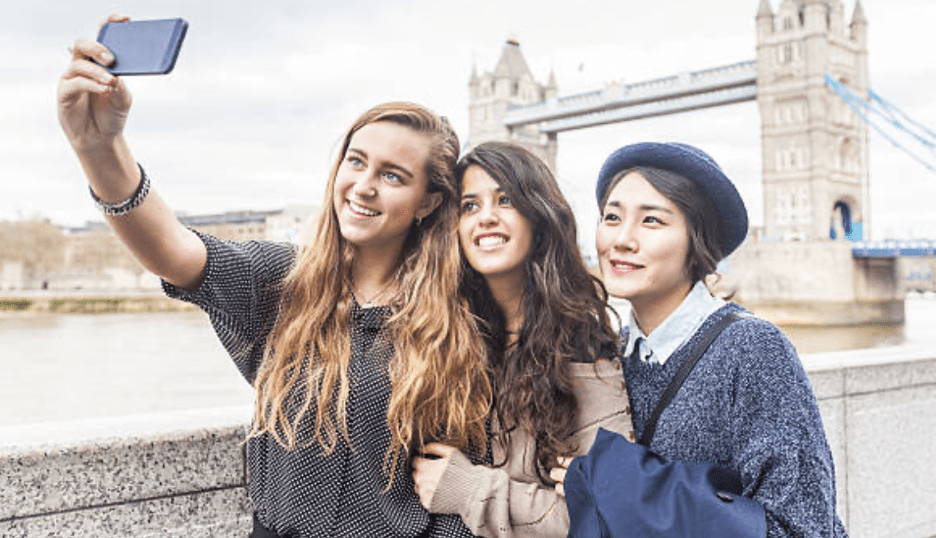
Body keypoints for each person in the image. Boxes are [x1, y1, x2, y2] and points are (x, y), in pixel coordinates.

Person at [58, 15, 493, 538]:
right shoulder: (280, 281)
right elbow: (172, 250)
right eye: (356, 162)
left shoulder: (460, 317)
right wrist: (98, 146)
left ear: (429, 202)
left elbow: (466, 482)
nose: (363, 186)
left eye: (392, 175)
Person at [583, 141, 848, 537]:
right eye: (611, 217)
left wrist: (629, 488)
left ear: (698, 241)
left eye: (651, 221)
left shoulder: (753, 350)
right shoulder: (609, 356)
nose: (622, 239)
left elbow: (803, 529)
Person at [411, 141, 634, 538]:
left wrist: (468, 489)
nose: (486, 218)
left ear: (539, 216)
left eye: (506, 200)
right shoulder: (444, 337)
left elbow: (600, 519)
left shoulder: (584, 348)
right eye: (470, 206)